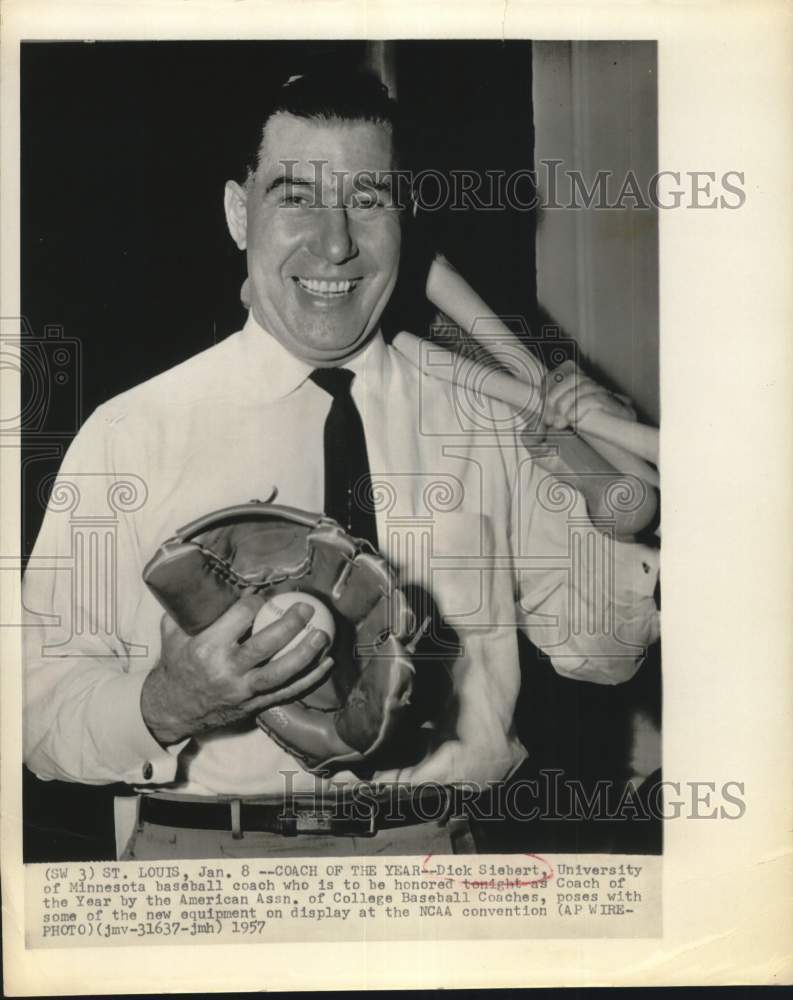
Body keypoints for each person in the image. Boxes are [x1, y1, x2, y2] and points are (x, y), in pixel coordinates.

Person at [22, 69, 659, 859]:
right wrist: (169, 702)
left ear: (405, 216)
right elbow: (35, 716)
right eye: (296, 197)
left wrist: (607, 504)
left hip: (437, 859)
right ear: (238, 214)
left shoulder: (492, 419)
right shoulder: (132, 433)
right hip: (212, 866)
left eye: (368, 199)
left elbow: (602, 655)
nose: (335, 244)